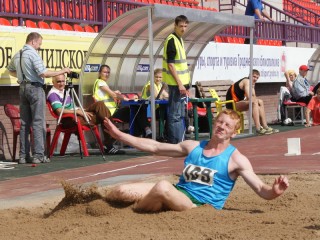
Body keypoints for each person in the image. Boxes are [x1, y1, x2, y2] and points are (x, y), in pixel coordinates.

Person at [102, 109, 289, 212]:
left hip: (198, 205)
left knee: (162, 187)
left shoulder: (237, 159)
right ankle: (103, 201)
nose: (222, 127)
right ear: (214, 123)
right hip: (179, 193)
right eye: (219, 122)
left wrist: (274, 191)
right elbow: (155, 147)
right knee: (121, 191)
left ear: (234, 132)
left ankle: (135, 212)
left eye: (227, 125)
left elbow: (261, 190)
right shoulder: (193, 146)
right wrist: (119, 135)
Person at [7, 32, 71, 164]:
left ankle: (23, 156)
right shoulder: (33, 54)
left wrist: (22, 77)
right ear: (33, 41)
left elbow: (10, 70)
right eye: (39, 44)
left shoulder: (18, 54)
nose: (39, 47)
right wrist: (62, 71)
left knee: (24, 123)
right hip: (35, 88)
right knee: (38, 122)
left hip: (23, 88)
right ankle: (38, 155)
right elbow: (43, 73)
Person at [47, 74, 125, 155]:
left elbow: (73, 107)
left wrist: (82, 111)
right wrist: (78, 112)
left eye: (63, 81)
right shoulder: (53, 93)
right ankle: (111, 140)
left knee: (100, 105)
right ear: (53, 82)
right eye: (58, 81)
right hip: (69, 120)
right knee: (102, 116)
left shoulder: (64, 91)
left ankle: (110, 140)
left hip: (77, 114)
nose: (61, 83)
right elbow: (59, 111)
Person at [93, 65, 152, 138]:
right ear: (99, 73)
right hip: (110, 113)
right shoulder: (100, 82)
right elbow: (113, 95)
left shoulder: (101, 83)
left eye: (108, 72)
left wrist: (115, 92)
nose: (107, 74)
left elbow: (108, 94)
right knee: (136, 110)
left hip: (111, 111)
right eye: (104, 72)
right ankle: (143, 132)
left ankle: (142, 133)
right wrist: (126, 99)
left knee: (137, 110)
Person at [163, 15, 191, 144]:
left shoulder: (179, 39)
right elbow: (171, 64)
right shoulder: (172, 40)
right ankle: (176, 142)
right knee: (175, 115)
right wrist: (180, 84)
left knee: (179, 114)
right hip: (175, 84)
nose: (183, 29)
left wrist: (186, 85)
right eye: (181, 26)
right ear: (175, 26)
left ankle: (179, 140)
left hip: (181, 84)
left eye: (185, 26)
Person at [225, 69, 279, 135]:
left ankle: (265, 126)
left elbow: (254, 97)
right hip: (232, 104)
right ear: (250, 75)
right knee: (254, 102)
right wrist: (253, 98)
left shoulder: (252, 84)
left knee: (260, 102)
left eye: (257, 78)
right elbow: (249, 97)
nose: (255, 79)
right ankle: (258, 128)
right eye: (254, 76)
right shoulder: (247, 81)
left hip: (238, 103)